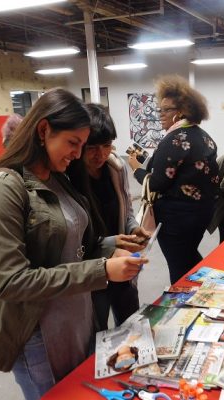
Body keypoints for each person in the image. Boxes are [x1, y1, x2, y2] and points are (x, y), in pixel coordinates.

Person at [0, 88, 148, 400]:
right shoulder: (0, 189)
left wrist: (109, 248)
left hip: (77, 323)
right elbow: (11, 282)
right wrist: (102, 269)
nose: (78, 154)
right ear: (43, 130)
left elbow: (75, 247)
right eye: (73, 143)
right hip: (38, 337)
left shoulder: (57, 178)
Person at [128, 75, 219, 285]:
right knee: (189, 257)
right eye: (159, 109)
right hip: (201, 213)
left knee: (179, 266)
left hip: (177, 219)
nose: (160, 115)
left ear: (181, 112)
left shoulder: (174, 139)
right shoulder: (203, 136)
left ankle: (183, 306)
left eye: (165, 110)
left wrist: (135, 169)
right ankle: (207, 289)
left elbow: (157, 183)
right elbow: (179, 169)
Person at [66, 103, 151, 330]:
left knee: (131, 322)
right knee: (95, 329)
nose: (101, 154)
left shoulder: (116, 168)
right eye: (92, 147)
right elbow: (72, 242)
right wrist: (112, 243)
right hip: (91, 269)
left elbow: (126, 211)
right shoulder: (66, 178)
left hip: (122, 262)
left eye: (107, 145)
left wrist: (133, 229)